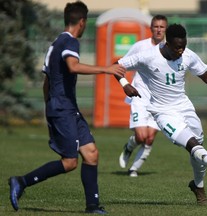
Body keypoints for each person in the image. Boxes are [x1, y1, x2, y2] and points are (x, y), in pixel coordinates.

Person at [8, 1, 126, 214]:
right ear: (81, 22)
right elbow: (73, 66)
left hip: (66, 108)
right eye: (85, 22)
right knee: (70, 162)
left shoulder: (55, 44)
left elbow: (47, 81)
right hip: (63, 109)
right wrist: (107, 69)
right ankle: (21, 181)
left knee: (91, 153)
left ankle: (92, 206)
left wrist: (49, 105)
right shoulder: (70, 42)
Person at [117, 24, 207, 205]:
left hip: (185, 107)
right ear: (167, 43)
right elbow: (117, 65)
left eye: (183, 46)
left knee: (198, 147)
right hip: (163, 113)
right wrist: (124, 84)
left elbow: (206, 76)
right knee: (193, 146)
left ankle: (198, 185)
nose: (181, 51)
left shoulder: (188, 55)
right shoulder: (149, 56)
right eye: (177, 47)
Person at [118, 15, 168, 177]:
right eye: (156, 26)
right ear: (151, 28)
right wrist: (125, 84)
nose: (159, 29)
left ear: (166, 30)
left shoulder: (170, 49)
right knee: (141, 136)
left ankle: (134, 169)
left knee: (150, 138)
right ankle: (129, 147)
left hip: (160, 100)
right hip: (139, 97)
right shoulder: (141, 46)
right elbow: (120, 66)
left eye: (162, 27)